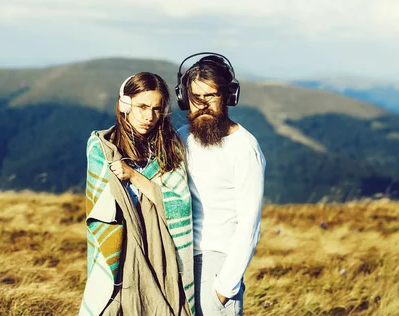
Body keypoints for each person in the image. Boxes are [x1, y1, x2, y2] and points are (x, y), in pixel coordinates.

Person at [79, 72, 195, 316]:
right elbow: (102, 209)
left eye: (156, 109)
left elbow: (178, 205)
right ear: (124, 104)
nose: (148, 116)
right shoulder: (102, 147)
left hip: (160, 248)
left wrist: (133, 176)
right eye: (142, 106)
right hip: (120, 247)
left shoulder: (170, 147)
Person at [175, 53, 266, 316]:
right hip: (180, 262)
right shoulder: (181, 139)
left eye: (210, 96)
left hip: (216, 268)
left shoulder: (244, 149)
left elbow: (250, 224)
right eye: (195, 97)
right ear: (184, 98)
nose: (202, 105)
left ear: (228, 97)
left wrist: (223, 289)